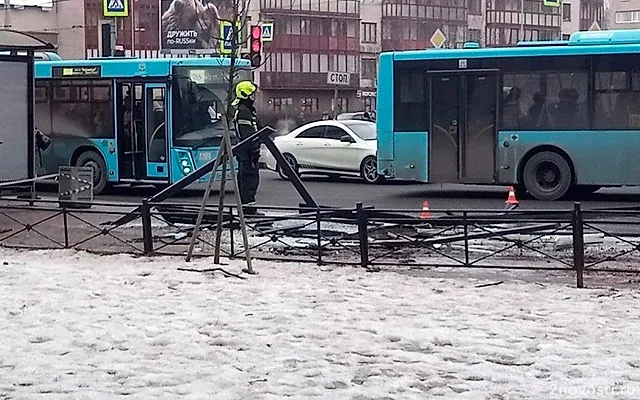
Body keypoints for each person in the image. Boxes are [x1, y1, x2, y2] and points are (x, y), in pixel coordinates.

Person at [231, 80, 262, 216]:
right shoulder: (244, 111)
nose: (253, 97)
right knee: (249, 181)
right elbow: (247, 134)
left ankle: (248, 210)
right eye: (251, 94)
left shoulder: (247, 111)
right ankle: (248, 211)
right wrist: (253, 151)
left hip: (248, 153)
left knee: (250, 180)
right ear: (245, 95)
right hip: (247, 154)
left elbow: (255, 129)